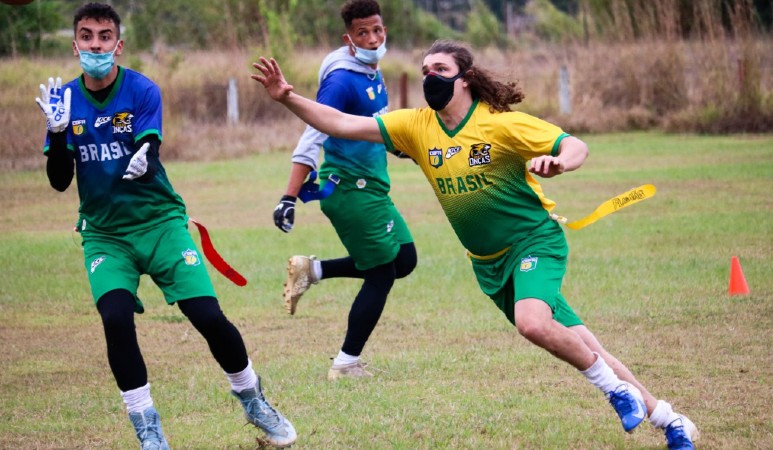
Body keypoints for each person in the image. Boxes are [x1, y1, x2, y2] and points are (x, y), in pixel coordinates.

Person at [251, 40, 697, 450]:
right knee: (581, 341)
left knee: (533, 324)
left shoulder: (499, 125)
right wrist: (288, 97)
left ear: (464, 78)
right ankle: (671, 421)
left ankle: (615, 391)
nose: (429, 77)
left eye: (440, 68)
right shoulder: (416, 127)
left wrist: (558, 163)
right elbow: (342, 123)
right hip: (489, 265)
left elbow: (574, 145)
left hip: (533, 242)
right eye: (425, 69)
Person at [35, 3, 296, 449]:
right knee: (115, 319)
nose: (94, 44)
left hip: (160, 224)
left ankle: (253, 400)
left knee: (207, 316)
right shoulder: (65, 101)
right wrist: (59, 135)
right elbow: (60, 181)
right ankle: (148, 430)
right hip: (105, 235)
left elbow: (150, 143)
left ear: (118, 45)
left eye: (103, 36)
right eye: (86, 36)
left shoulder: (142, 89)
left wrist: (144, 156)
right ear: (75, 43)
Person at [272, 0, 417, 380]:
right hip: (349, 191)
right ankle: (345, 364)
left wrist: (407, 147)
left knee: (405, 260)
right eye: (362, 33)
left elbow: (377, 126)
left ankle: (313, 270)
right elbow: (312, 136)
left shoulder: (372, 69)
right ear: (348, 39)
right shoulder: (340, 80)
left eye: (377, 30)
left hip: (371, 189)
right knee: (383, 273)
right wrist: (289, 197)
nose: (372, 38)